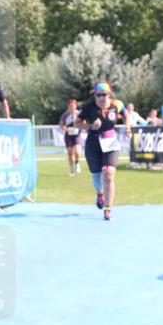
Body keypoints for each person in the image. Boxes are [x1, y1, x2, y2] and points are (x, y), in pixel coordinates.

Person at [77, 82, 130, 221]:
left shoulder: (117, 104)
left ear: (109, 94)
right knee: (96, 174)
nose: (101, 98)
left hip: (110, 140)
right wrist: (90, 126)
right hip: (93, 142)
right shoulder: (89, 107)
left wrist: (127, 126)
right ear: (94, 95)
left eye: (104, 95)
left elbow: (126, 114)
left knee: (108, 172)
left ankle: (108, 208)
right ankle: (100, 193)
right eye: (98, 95)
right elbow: (77, 123)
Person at [58, 98, 82, 175]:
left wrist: (79, 127)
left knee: (77, 152)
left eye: (73, 105)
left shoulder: (79, 114)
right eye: (71, 105)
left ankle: (77, 163)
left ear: (75, 106)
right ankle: (71, 168)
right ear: (69, 106)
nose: (72, 107)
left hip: (77, 135)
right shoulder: (65, 115)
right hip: (68, 136)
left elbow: (84, 123)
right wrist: (66, 129)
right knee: (70, 153)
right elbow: (61, 125)